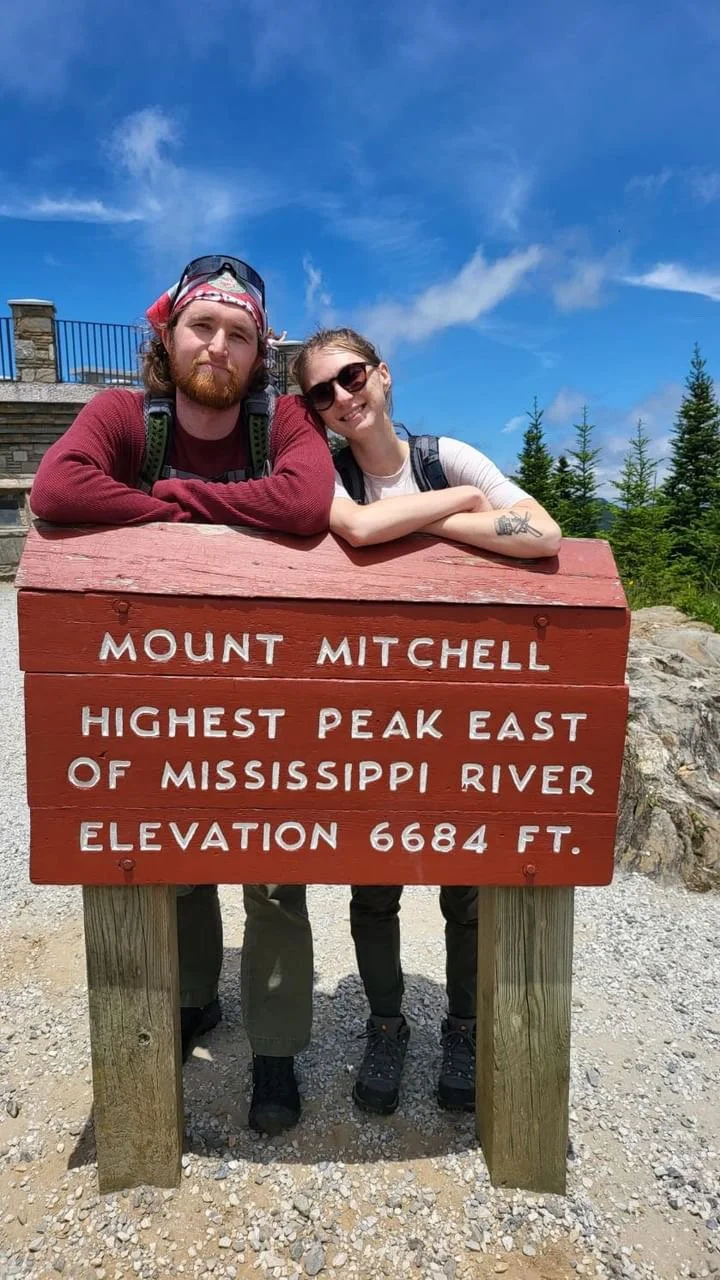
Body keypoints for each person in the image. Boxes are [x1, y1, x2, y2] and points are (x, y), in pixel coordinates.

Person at [31, 256, 336, 1136]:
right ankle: (196, 998)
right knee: (177, 861)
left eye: (239, 334)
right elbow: (57, 487)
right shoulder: (124, 415)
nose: (218, 346)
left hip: (270, 690)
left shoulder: (281, 421)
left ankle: (275, 1047)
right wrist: (194, 513)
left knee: (275, 874)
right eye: (203, 326)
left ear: (259, 351)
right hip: (161, 687)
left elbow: (307, 500)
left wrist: (162, 496)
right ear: (167, 335)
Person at [292, 326, 561, 1116]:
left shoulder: (447, 457)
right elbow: (357, 528)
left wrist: (424, 517)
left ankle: (464, 1028)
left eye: (350, 377)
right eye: (320, 392)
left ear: (382, 374)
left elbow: (543, 533)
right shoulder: (326, 473)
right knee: (372, 887)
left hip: (460, 714)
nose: (341, 398)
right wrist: (460, 511)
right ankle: (386, 1025)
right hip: (364, 721)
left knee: (467, 891)